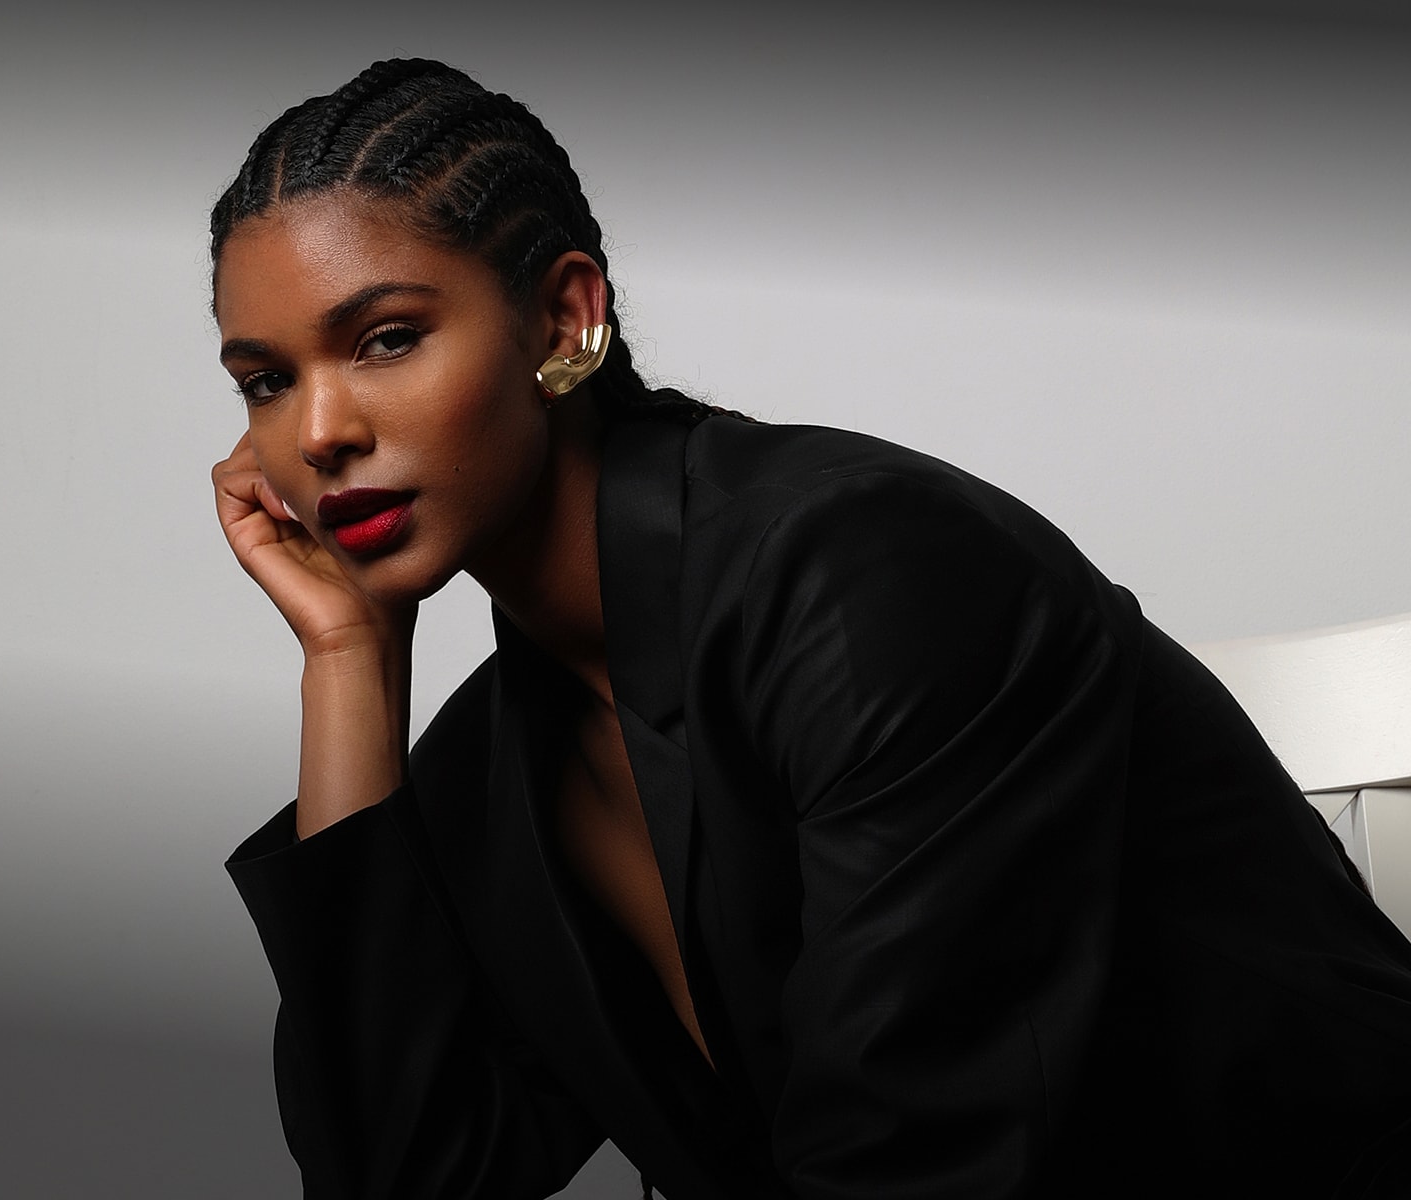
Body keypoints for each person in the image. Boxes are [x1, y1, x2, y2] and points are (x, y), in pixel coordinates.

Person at [209, 58, 1411, 1199]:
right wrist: (349, 663)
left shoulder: (865, 577)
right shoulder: (495, 765)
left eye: (386, 340)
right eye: (265, 380)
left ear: (565, 320)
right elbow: (405, 1175)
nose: (316, 432)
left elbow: (916, 1163)